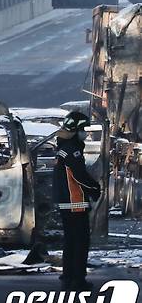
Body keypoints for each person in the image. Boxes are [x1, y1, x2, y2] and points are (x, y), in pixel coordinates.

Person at [53, 111, 101, 291]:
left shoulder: (64, 148)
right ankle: (78, 279)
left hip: (67, 204)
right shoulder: (73, 151)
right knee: (81, 242)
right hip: (75, 203)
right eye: (83, 129)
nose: (85, 133)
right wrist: (94, 188)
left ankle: (68, 276)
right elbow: (79, 176)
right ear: (75, 130)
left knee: (70, 242)